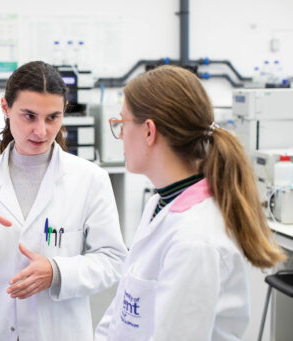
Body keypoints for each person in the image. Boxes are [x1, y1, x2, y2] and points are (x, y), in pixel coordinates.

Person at [95, 65, 285, 341]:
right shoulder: (160, 204)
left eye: (122, 124)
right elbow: (124, 305)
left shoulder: (195, 240)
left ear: (149, 131)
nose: (120, 135)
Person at [0, 61, 127, 341]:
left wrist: (56, 271)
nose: (41, 131)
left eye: (52, 117)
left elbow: (113, 260)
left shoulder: (90, 179)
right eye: (29, 116)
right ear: (5, 108)